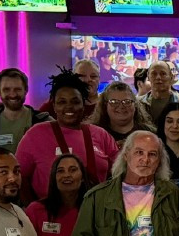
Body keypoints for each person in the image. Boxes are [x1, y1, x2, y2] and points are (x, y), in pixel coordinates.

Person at [18, 71, 116, 202]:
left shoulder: (101, 135)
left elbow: (119, 174)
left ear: (83, 105)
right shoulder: (36, 134)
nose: (69, 107)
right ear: (54, 106)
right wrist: (34, 210)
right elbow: (19, 177)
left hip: (96, 215)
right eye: (62, 102)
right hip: (50, 217)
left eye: (75, 101)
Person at [0, 68, 50, 158]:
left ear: (26, 90)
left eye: (17, 89)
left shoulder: (44, 122)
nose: (13, 94)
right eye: (6, 89)